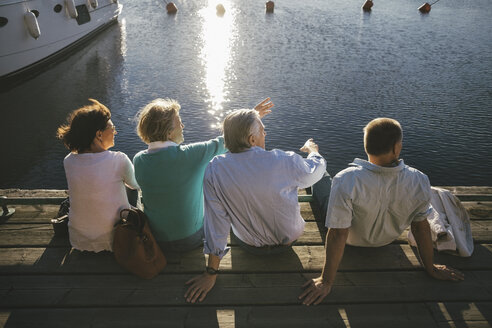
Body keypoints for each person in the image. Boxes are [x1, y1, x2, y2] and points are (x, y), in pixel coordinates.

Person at [299, 118, 465, 306]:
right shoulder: (419, 180)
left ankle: (313, 153)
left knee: (321, 179)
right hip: (385, 241)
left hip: (351, 241)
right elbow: (420, 227)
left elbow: (338, 233)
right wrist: (431, 267)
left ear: (366, 146)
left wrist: (326, 281)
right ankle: (313, 152)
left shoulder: (346, 179)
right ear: (397, 148)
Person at [184, 107, 327, 303]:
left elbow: (216, 224)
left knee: (229, 213)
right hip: (288, 243)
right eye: (263, 129)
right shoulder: (284, 160)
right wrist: (313, 152)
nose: (265, 133)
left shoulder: (215, 168)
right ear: (252, 140)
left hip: (249, 245)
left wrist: (210, 273)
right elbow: (316, 171)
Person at [133, 98, 274, 255]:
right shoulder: (192, 155)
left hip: (156, 239)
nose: (183, 126)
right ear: (169, 132)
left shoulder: (139, 160)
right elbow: (226, 140)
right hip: (191, 240)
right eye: (179, 122)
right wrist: (251, 118)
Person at [57, 99, 139, 252]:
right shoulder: (119, 159)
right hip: (116, 240)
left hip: (79, 240)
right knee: (132, 189)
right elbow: (136, 185)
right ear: (99, 134)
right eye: (112, 128)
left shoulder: (69, 161)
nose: (115, 132)